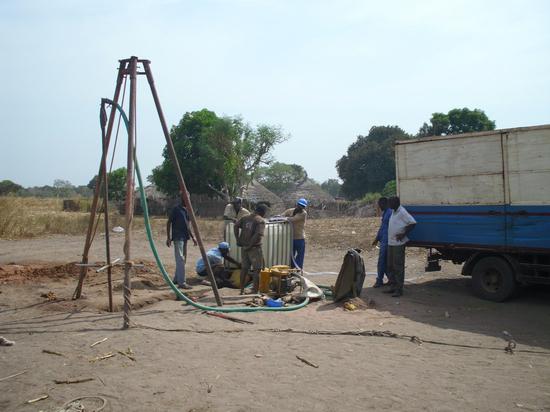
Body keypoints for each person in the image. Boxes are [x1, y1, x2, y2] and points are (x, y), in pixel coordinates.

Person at [384, 196, 416, 297]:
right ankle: (393, 287)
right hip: (391, 243)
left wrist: (403, 234)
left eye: (390, 203)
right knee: (390, 266)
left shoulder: (402, 211)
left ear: (396, 203)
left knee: (398, 266)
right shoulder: (394, 211)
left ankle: (399, 289)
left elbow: (413, 223)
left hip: (398, 244)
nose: (389, 205)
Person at [234, 204, 267, 294]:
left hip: (244, 247)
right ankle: (255, 291)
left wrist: (238, 239)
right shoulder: (260, 220)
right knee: (257, 270)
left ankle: (241, 290)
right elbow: (258, 234)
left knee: (244, 269)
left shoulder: (245, 218)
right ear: (263, 212)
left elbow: (235, 226)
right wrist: (250, 245)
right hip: (254, 248)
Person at [166, 200, 197, 290]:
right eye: (186, 197)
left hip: (185, 237)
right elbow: (169, 222)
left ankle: (176, 279)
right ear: (182, 198)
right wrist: (168, 237)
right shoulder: (176, 209)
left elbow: (188, 226)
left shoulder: (187, 210)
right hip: (178, 237)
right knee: (180, 259)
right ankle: (182, 282)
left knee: (183, 260)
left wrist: (193, 237)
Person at [372, 197, 392, 288]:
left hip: (387, 241)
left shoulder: (389, 213)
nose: (379, 207)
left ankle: (379, 280)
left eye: (380, 205)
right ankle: (390, 279)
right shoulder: (386, 213)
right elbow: (382, 228)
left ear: (385, 204)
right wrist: (377, 239)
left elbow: (386, 228)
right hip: (384, 240)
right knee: (385, 262)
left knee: (382, 261)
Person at [282, 198, 308, 269]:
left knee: (300, 255)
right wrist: (279, 217)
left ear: (304, 207)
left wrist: (284, 218)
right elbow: (283, 214)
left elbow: (293, 219)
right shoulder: (291, 210)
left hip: (300, 238)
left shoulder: (303, 213)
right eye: (299, 205)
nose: (301, 207)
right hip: (291, 238)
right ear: (297, 204)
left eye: (302, 206)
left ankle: (298, 269)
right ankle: (292, 268)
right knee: (291, 255)